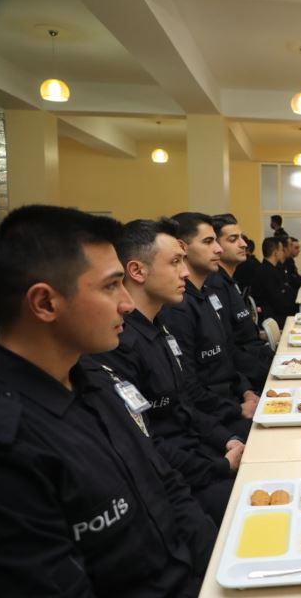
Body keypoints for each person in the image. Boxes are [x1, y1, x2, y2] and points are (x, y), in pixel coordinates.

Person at [0, 205, 216, 596]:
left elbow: (168, 486)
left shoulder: (93, 376)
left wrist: (218, 563)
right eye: (110, 286)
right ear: (45, 303)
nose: (126, 303)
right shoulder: (2, 445)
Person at [90, 218, 241, 524]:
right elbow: (149, 442)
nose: (185, 272)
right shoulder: (117, 344)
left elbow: (186, 403)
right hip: (181, 480)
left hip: (199, 456)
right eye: (175, 262)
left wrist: (227, 439)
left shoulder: (160, 327)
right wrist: (219, 467)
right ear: (137, 271)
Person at [160, 212, 257, 439]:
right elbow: (189, 387)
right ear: (183, 248)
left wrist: (246, 390)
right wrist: (237, 410)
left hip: (232, 400)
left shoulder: (208, 295)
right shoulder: (177, 308)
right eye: (208, 242)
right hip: (216, 417)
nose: (219, 250)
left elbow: (228, 353)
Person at [207, 213, 271, 390]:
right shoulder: (214, 287)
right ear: (216, 246)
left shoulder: (230, 282)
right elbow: (230, 348)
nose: (243, 244)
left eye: (241, 237)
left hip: (256, 360)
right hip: (249, 375)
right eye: (233, 239)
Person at [252, 235, 297, 325]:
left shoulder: (272, 269)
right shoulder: (266, 272)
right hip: (272, 317)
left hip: (276, 311)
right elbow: (278, 301)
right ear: (275, 253)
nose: (283, 252)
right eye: (281, 250)